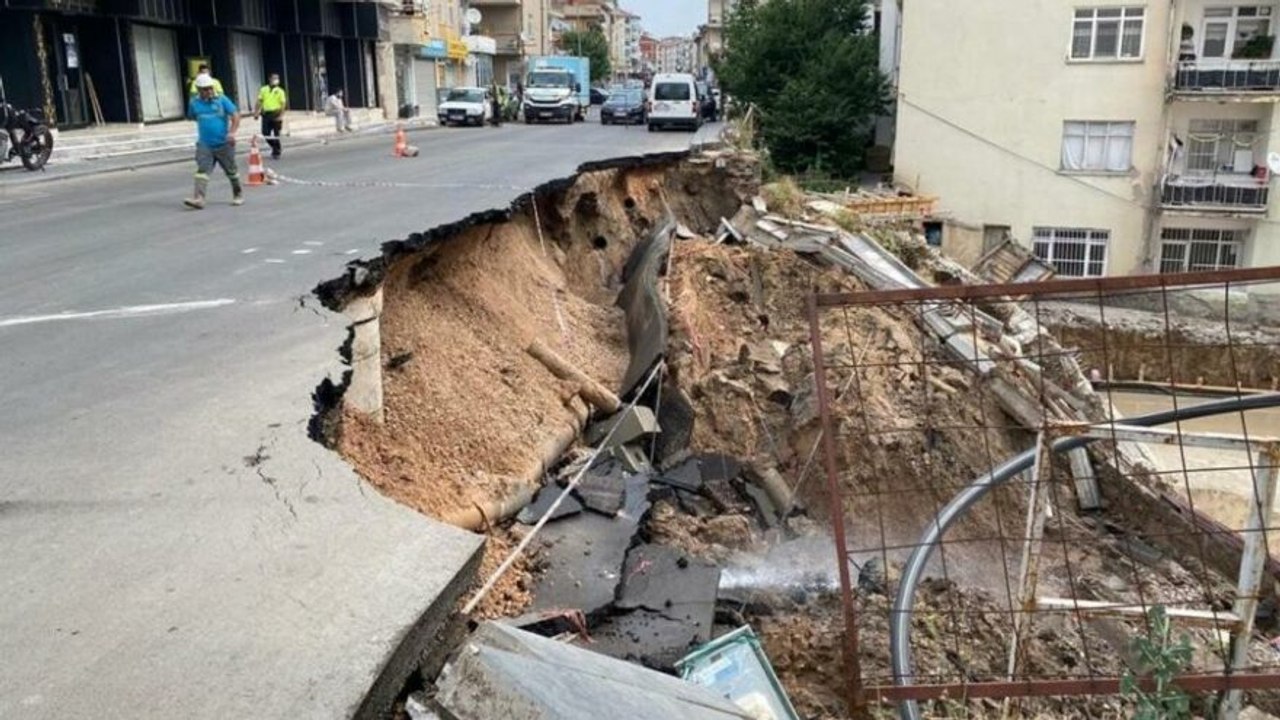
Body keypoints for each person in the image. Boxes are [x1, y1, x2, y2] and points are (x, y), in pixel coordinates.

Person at [184, 74, 242, 210]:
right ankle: (199, 199)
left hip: (224, 143)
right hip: (205, 144)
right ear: (199, 90)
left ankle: (238, 194)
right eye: (205, 89)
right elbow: (192, 116)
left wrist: (232, 132)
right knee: (202, 170)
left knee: (231, 171)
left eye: (210, 88)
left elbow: (235, 115)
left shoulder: (222, 100)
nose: (209, 91)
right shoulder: (194, 103)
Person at [255, 73, 287, 159]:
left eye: (277, 78)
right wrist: (256, 112)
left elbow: (283, 104)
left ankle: (276, 151)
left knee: (276, 134)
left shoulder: (280, 91)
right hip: (266, 114)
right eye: (274, 78)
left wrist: (281, 116)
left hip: (276, 113)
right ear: (270, 79)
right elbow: (259, 101)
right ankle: (275, 147)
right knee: (265, 133)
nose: (276, 80)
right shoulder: (263, 89)